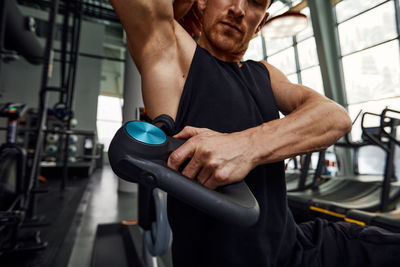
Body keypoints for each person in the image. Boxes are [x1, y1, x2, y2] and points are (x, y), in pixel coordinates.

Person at [109, 0, 400, 266]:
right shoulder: (174, 58)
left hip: (298, 250)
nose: (237, 8)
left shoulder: (264, 73)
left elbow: (334, 117)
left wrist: (244, 146)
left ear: (261, 22)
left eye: (255, 2)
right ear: (203, 3)